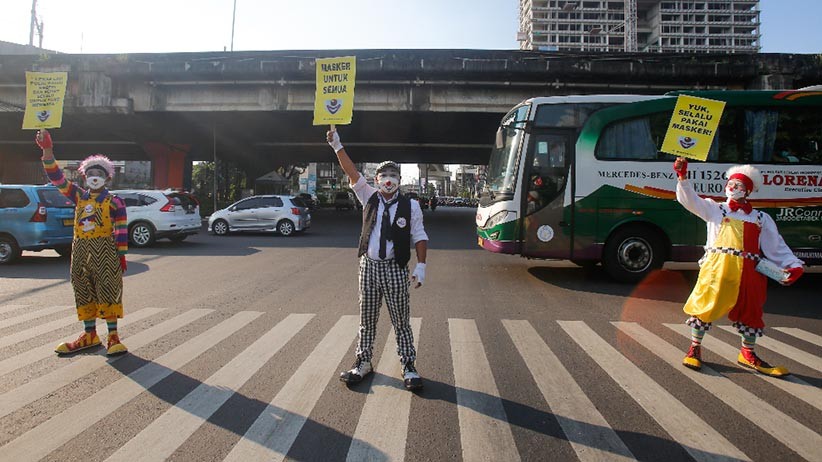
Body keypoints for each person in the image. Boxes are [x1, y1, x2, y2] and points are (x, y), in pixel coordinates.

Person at [673, 157, 803, 377]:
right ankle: (695, 348)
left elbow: (776, 246)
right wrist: (683, 177)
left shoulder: (761, 218)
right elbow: (690, 201)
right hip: (718, 268)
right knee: (706, 305)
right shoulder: (716, 209)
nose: (732, 187)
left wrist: (793, 265)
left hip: (750, 271)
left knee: (751, 310)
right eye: (730, 184)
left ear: (748, 191)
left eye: (739, 185)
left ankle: (748, 353)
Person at [326, 129, 428, 390]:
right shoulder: (367, 195)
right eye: (384, 175)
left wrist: (421, 265)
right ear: (376, 179)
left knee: (401, 320)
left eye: (394, 175)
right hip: (368, 268)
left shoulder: (411, 206)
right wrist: (337, 145)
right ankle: (363, 362)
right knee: (367, 318)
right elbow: (351, 171)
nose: (389, 179)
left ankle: (408, 365)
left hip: (395, 268)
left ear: (400, 180)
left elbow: (419, 235)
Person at [36, 129, 129, 356]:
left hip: (105, 251)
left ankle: (113, 336)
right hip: (79, 250)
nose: (93, 176)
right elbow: (56, 177)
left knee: (108, 289)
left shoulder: (114, 201)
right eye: (89, 173)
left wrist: (121, 254)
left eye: (98, 173)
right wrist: (48, 150)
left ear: (107, 177)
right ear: (84, 177)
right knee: (82, 288)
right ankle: (89, 334)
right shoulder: (77, 195)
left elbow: (121, 230)